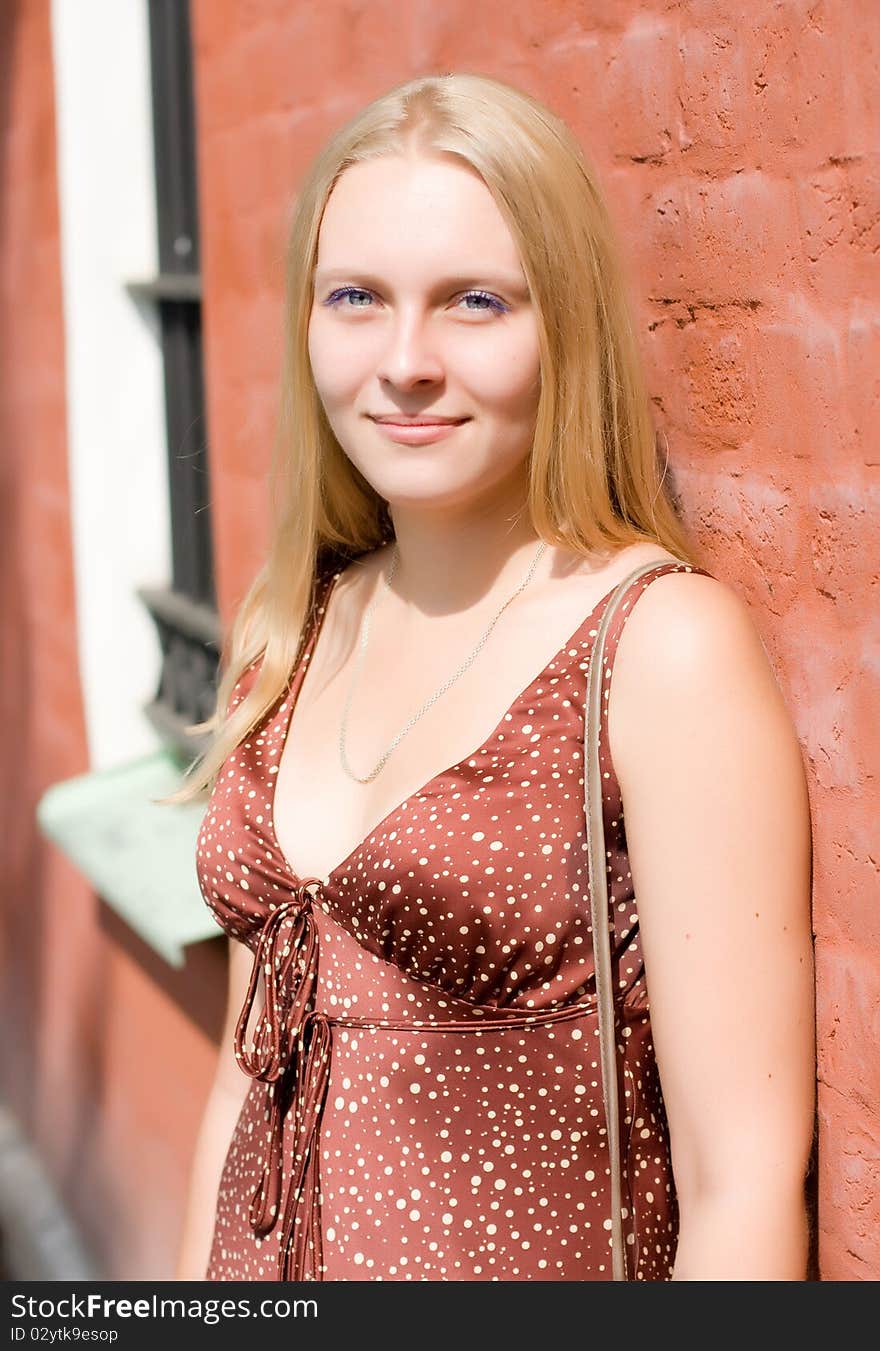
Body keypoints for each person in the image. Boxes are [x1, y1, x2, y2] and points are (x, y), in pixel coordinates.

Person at [171, 72, 815, 1282]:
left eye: (474, 302)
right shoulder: (290, 634)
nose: (404, 362)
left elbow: (742, 1186)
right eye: (355, 297)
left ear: (560, 326)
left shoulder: (655, 651)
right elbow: (237, 1085)